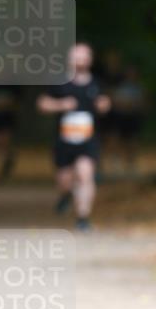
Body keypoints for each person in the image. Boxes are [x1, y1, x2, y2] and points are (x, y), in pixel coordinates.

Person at [37, 43, 111, 231]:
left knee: (85, 175)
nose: (80, 59)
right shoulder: (59, 82)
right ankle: (66, 194)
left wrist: (103, 105)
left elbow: (106, 102)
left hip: (88, 140)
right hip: (64, 141)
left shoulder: (97, 82)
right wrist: (61, 105)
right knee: (65, 180)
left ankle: (83, 218)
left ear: (90, 59)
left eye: (84, 55)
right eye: (76, 55)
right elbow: (42, 103)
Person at [0, 84, 21, 180]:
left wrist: (5, 104)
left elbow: (16, 101)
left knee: (4, 140)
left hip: (6, 117)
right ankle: (7, 157)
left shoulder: (12, 85)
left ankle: (7, 159)